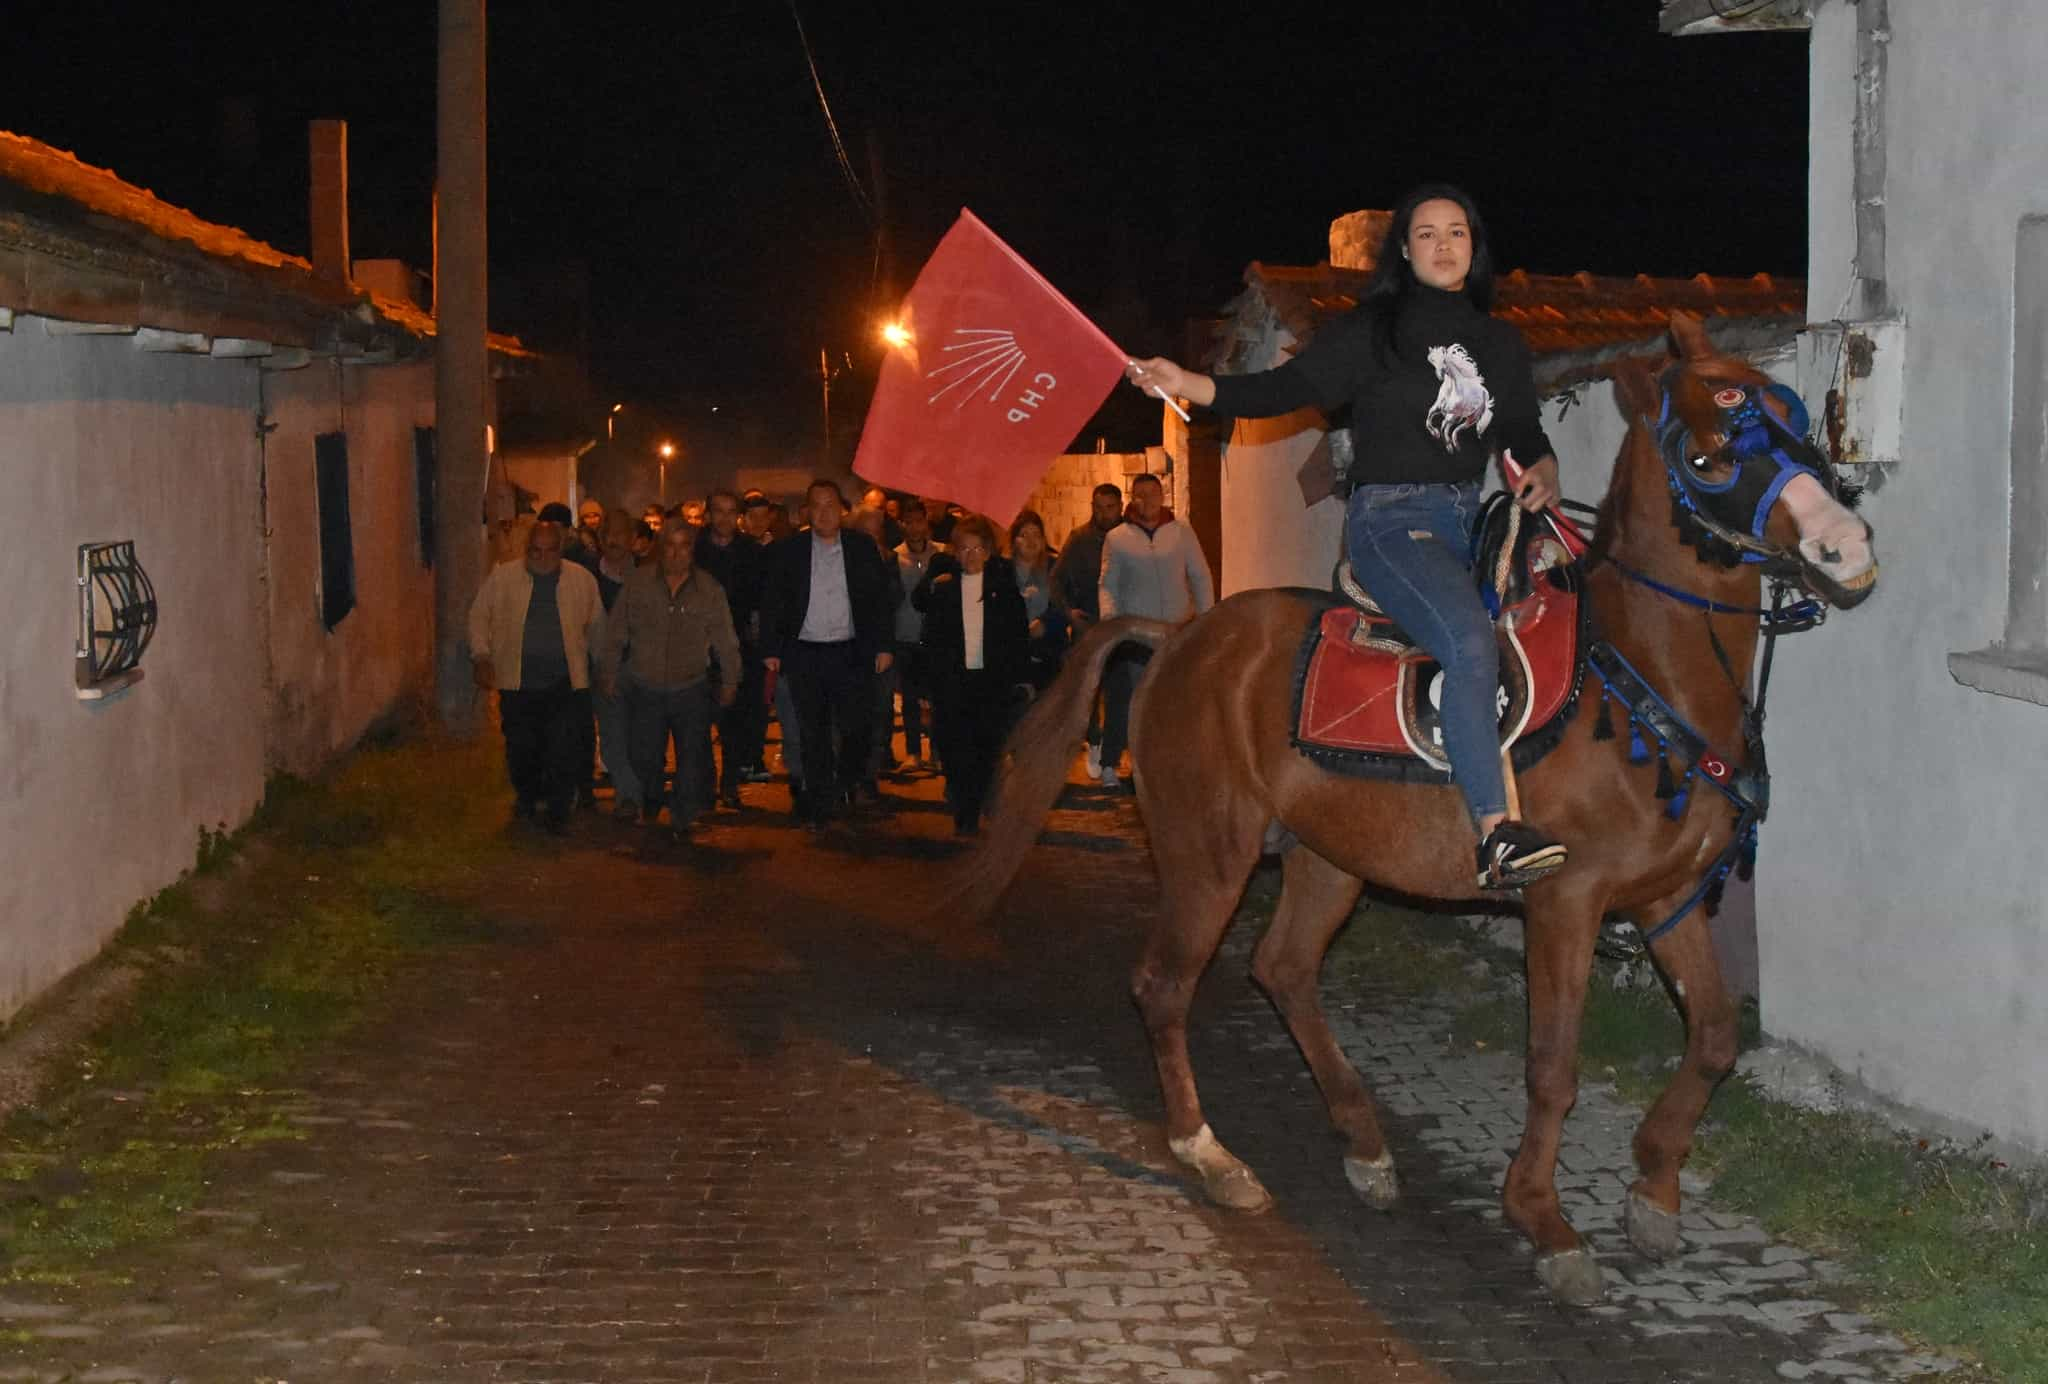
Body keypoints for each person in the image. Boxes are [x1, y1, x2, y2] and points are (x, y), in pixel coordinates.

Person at [1123, 183, 1567, 891]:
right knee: (1469, 642)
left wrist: (1540, 464)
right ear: (1404, 248)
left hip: (1467, 521)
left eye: (1458, 232)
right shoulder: (1373, 330)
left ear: (1475, 248)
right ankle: (1495, 833)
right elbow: (1282, 389)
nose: (1444, 245)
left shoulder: (1499, 342)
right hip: (1392, 522)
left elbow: (1521, 430)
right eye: (1427, 233)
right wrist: (1194, 385)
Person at [759, 480, 896, 829]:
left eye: (830, 505)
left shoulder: (861, 547)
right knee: (813, 732)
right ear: (806, 511)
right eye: (816, 506)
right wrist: (772, 650)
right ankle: (821, 802)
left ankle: (846, 782)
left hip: (851, 652)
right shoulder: (789, 551)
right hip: (806, 654)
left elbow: (881, 600)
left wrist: (883, 645)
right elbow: (774, 602)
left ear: (842, 509)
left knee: (856, 728)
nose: (823, 513)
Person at [598, 522, 741, 843]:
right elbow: (616, 631)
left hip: (690, 687)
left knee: (691, 757)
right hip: (645, 685)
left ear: (693, 550)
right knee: (645, 755)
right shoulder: (638, 584)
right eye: (671, 546)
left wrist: (731, 678)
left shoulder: (708, 589)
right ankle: (648, 803)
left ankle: (684, 816)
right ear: (660, 549)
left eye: (684, 546)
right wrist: (609, 672)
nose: (677, 554)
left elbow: (725, 639)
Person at [467, 521, 606, 832]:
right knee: (522, 747)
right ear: (526, 549)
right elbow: (479, 615)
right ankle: (527, 800)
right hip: (518, 682)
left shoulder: (580, 580)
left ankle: (558, 810)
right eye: (535, 550)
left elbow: (597, 626)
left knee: (562, 746)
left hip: (565, 682)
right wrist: (481, 655)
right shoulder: (503, 578)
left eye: (549, 550)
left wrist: (602, 667)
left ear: (560, 549)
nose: (542, 557)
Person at [1097, 473, 1214, 791]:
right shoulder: (1118, 538)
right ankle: (1114, 763)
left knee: (1171, 701)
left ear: (1163, 495)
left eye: (1152, 493)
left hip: (1176, 632)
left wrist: (1206, 621)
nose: (1146, 500)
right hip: (1136, 634)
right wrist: (1111, 620)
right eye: (1139, 495)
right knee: (1131, 702)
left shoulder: (1181, 533)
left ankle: (1166, 766)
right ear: (1131, 499)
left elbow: (1200, 576)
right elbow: (1108, 584)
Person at [915, 514, 1029, 837]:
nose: (971, 556)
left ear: (989, 551)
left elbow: (1016, 635)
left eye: (977, 549)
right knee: (953, 746)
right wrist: (928, 684)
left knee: (985, 748)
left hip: (990, 683)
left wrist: (1019, 677)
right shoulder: (945, 588)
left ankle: (975, 805)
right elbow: (930, 637)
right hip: (953, 683)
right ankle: (962, 807)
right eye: (964, 549)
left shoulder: (1002, 589)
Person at [693, 489, 769, 803]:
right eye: (718, 511)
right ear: (708, 514)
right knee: (697, 717)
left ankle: (729, 782)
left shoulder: (750, 551)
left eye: (729, 512)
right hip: (698, 642)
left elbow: (762, 598)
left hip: (739, 644)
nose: (724, 518)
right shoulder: (694, 550)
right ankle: (707, 782)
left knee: (735, 717)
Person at [1052, 482, 1124, 778]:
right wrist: (1069, 613)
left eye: (1110, 507)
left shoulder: (1129, 537)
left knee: (1119, 690)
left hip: (1123, 625)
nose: (1104, 513)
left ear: (1120, 506)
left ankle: (1112, 750)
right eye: (1098, 507)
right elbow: (1055, 579)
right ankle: (1094, 741)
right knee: (1089, 690)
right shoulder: (1079, 539)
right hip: (1089, 624)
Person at [589, 510, 645, 819]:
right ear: (599, 539)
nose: (615, 541)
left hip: (642, 669)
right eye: (608, 534)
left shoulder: (649, 578)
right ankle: (628, 796)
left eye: (622, 534)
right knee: (612, 734)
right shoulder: (586, 579)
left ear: (635, 540)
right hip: (603, 668)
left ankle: (639, 789)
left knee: (641, 736)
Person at [849, 506, 906, 785]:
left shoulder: (889, 559)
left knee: (880, 711)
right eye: (866, 532)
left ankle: (871, 772)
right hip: (852, 647)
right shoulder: (846, 560)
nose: (872, 538)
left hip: (882, 645)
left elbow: (894, 598)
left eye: (876, 531)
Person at [890, 500, 944, 772]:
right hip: (906, 636)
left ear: (927, 522)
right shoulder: (894, 557)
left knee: (938, 697)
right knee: (910, 698)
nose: (914, 528)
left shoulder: (943, 555)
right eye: (908, 522)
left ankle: (937, 752)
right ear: (901, 525)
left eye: (918, 521)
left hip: (937, 639)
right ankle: (913, 752)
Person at [1008, 509, 1066, 690]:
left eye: (1036, 535)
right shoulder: (1003, 570)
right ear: (1014, 541)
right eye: (1023, 535)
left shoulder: (1056, 567)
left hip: (1048, 652)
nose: (1031, 541)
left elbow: (1063, 604)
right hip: (1014, 654)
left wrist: (1045, 623)